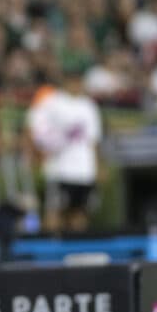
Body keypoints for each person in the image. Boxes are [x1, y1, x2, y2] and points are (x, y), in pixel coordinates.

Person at [28, 67, 102, 233]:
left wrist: (96, 168)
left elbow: (93, 140)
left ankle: (77, 253)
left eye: (79, 80)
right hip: (59, 169)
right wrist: (39, 152)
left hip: (84, 171)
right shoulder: (52, 102)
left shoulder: (89, 106)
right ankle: (49, 254)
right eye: (73, 79)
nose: (76, 83)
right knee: (54, 212)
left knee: (80, 213)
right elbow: (35, 127)